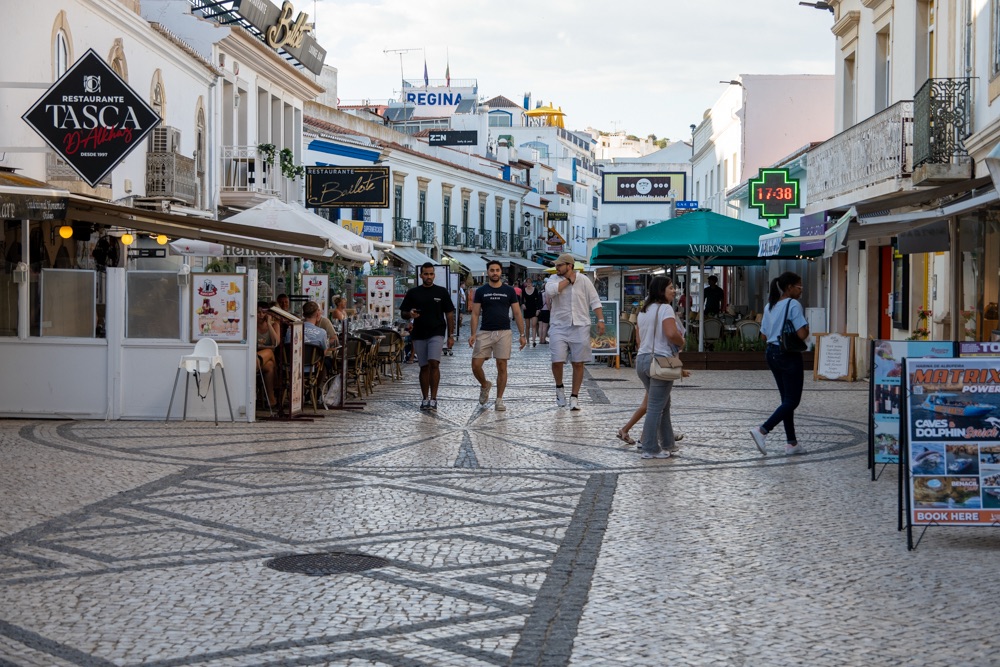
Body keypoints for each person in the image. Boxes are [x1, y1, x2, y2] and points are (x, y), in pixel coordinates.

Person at [750, 271, 809, 456]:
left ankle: (792, 443)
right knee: (792, 400)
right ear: (789, 287)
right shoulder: (793, 304)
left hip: (771, 353)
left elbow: (763, 335)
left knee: (786, 400)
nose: (801, 290)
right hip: (788, 354)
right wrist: (806, 327)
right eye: (799, 286)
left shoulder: (770, 305)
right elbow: (802, 334)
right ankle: (762, 430)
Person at [544, 253, 605, 411]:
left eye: (560, 265)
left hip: (580, 325)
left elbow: (594, 300)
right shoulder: (553, 279)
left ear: (569, 266)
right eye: (556, 265)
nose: (557, 267)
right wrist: (568, 281)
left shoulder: (584, 280)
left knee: (578, 362)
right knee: (557, 360)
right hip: (559, 325)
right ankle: (559, 388)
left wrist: (600, 320)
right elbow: (551, 292)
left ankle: (574, 397)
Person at [634, 276, 685, 459]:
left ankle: (668, 443)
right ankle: (649, 448)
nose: (674, 290)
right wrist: (682, 342)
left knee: (663, 402)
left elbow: (639, 340)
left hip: (642, 360)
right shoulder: (665, 308)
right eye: (671, 287)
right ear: (661, 290)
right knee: (656, 406)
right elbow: (671, 333)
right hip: (660, 360)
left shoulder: (643, 311)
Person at [469, 260, 527, 411]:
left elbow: (517, 313)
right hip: (485, 331)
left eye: (497, 270)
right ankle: (484, 385)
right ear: (488, 272)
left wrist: (522, 334)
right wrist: (473, 334)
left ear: (501, 272)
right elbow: (475, 314)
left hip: (504, 332)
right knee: (476, 365)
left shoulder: (509, 291)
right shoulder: (481, 291)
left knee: (502, 365)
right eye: (492, 270)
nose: (495, 273)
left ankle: (499, 399)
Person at [400, 262, 456, 411]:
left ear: (434, 275)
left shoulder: (441, 292)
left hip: (437, 332)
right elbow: (403, 312)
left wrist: (451, 335)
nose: (429, 276)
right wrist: (410, 314)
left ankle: (434, 398)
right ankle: (425, 398)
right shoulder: (413, 293)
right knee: (423, 366)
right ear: (421, 275)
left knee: (434, 362)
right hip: (419, 333)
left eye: (431, 274)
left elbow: (449, 314)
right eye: (426, 274)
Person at [255, 301, 280, 407]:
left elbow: (276, 343)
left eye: (264, 312)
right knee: (270, 355)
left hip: (263, 359)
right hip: (256, 355)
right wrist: (269, 347)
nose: (261, 315)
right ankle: (271, 397)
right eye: (258, 312)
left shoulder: (274, 324)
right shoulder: (252, 324)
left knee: (269, 363)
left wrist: (269, 324)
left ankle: (271, 398)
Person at [521, 279, 543, 347]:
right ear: (526, 283)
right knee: (527, 326)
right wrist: (522, 304)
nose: (528, 283)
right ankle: (527, 340)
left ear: (532, 283)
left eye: (530, 282)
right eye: (527, 282)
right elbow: (521, 299)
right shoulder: (524, 290)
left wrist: (538, 309)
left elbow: (538, 300)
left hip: (534, 309)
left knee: (534, 325)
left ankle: (533, 341)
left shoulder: (535, 290)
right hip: (527, 309)